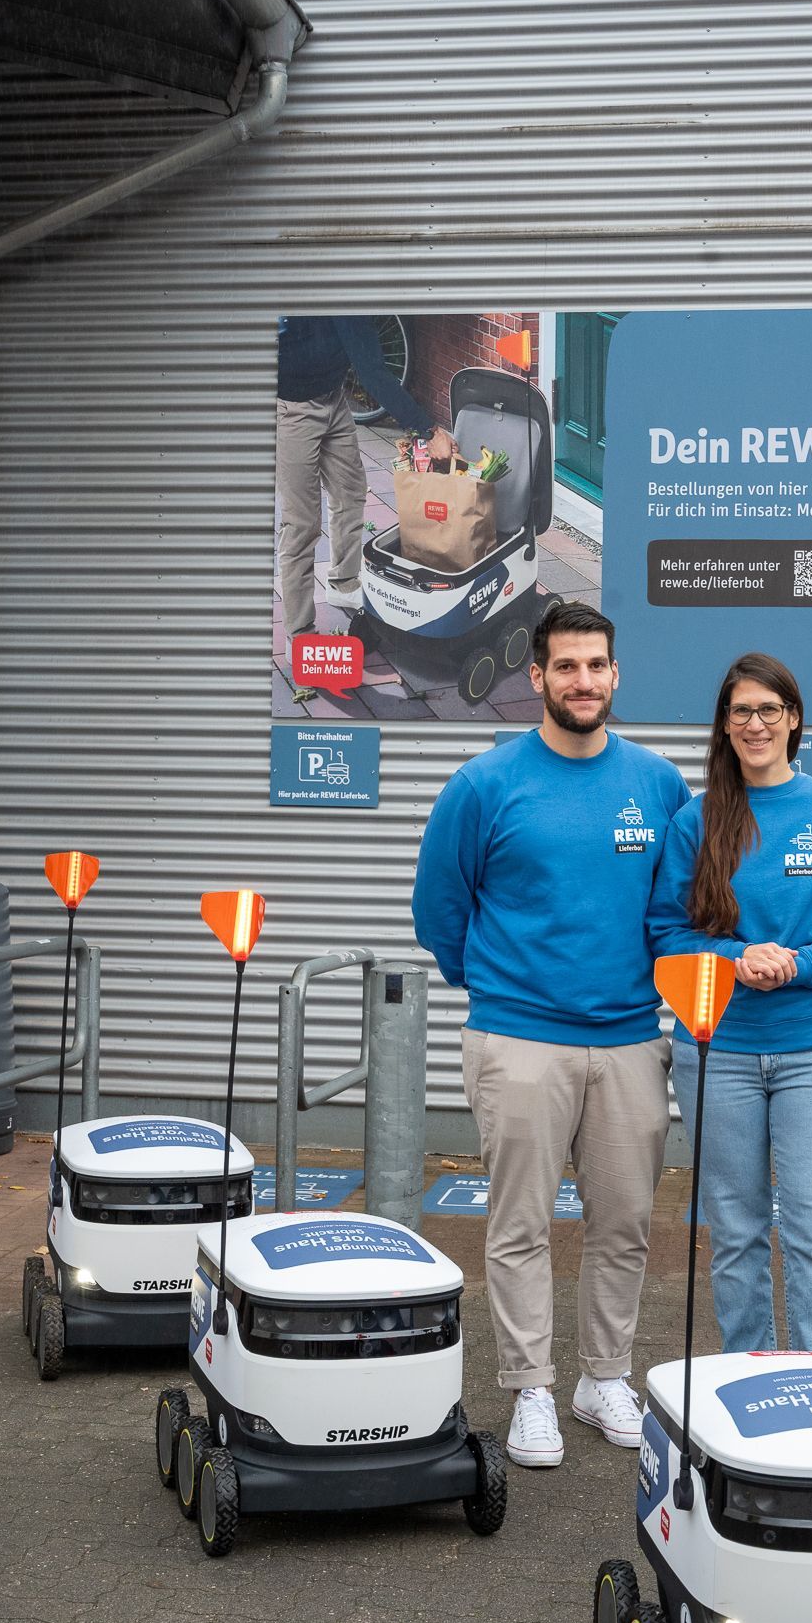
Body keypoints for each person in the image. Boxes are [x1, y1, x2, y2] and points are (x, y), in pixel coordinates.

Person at [411, 602, 690, 1467]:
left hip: (631, 1041)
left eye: (596, 666)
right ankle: (531, 1386)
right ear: (534, 677)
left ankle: (603, 1375)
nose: (582, 681)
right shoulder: (485, 785)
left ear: (616, 675)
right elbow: (439, 910)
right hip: (519, 1040)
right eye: (564, 667)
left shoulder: (657, 785)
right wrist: (501, 987)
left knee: (625, 1221)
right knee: (520, 1224)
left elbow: (674, 910)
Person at [648, 652, 812, 1355]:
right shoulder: (698, 821)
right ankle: (748, 1372)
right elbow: (665, 933)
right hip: (715, 1052)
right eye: (740, 712)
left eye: (769, 711)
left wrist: (799, 965)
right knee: (735, 1227)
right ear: (724, 727)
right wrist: (736, 959)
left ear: (793, 721)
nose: (755, 724)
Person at [274, 315, 456, 682]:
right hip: (291, 410)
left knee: (351, 490)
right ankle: (300, 636)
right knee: (302, 525)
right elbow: (373, 373)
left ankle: (342, 583)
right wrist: (429, 430)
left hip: (333, 400)